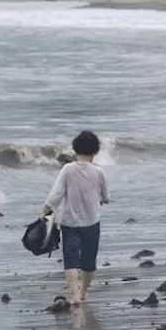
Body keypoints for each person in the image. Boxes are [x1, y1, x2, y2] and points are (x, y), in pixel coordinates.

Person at [43, 130, 110, 306]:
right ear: (95, 151)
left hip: (69, 222)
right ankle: (84, 292)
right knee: (89, 260)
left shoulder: (68, 169)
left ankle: (75, 295)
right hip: (91, 222)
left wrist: (46, 208)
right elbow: (104, 195)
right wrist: (105, 200)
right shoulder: (98, 172)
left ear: (75, 149)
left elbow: (57, 193)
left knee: (70, 259)